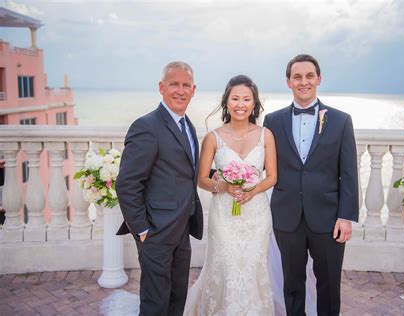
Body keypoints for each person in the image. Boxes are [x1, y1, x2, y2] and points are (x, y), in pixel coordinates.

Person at [263, 54, 359, 316]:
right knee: (292, 284)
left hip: (328, 218)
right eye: (297, 77)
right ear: (288, 82)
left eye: (308, 76)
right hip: (286, 216)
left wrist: (346, 217)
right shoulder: (272, 121)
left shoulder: (341, 121)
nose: (303, 82)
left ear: (318, 79)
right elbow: (259, 163)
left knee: (329, 283)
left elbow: (349, 173)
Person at [184, 75, 278, 315]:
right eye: (235, 98)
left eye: (247, 99)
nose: (241, 104)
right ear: (226, 102)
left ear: (254, 103)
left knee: (253, 267)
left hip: (256, 216)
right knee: (226, 266)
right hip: (224, 215)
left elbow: (272, 177)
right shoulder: (213, 137)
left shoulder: (265, 135)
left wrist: (252, 190)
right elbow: (202, 179)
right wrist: (224, 186)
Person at [115, 61, 203, 316]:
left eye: (186, 85)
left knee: (177, 297)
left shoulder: (188, 126)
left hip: (181, 229)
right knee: (155, 302)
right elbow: (127, 183)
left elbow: (184, 173)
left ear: (193, 90)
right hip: (155, 231)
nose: (180, 90)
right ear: (161, 87)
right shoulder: (146, 126)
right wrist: (142, 229)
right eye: (174, 84)